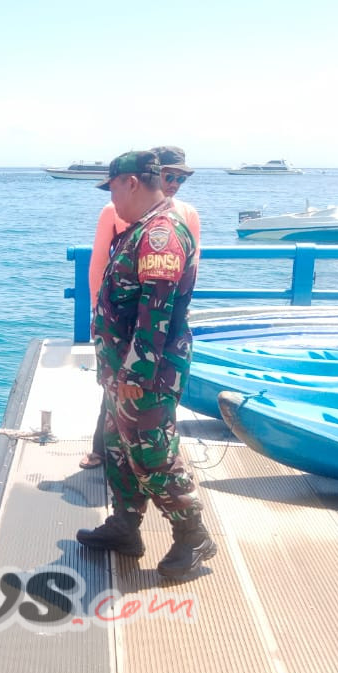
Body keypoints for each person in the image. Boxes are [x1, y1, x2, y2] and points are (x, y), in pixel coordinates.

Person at [76, 151, 216, 579]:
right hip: (123, 371)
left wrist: (136, 372)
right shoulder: (138, 231)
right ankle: (124, 526)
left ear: (131, 182)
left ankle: (193, 535)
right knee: (119, 450)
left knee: (153, 453)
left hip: (146, 373)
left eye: (113, 187)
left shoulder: (160, 235)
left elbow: (156, 311)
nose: (111, 198)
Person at [79, 145, 200, 470]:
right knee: (113, 406)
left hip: (149, 342)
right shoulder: (118, 212)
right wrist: (100, 319)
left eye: (180, 178)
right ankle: (114, 474)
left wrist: (137, 366)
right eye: (168, 175)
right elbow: (99, 266)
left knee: (150, 434)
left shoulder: (176, 220)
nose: (174, 183)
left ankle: (179, 508)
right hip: (119, 335)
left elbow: (166, 295)